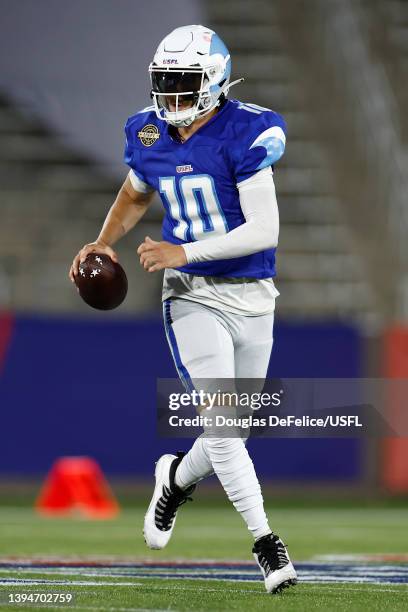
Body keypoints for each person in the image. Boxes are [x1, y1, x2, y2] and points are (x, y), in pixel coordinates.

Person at [69, 24, 297, 594]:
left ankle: (173, 477)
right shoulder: (149, 133)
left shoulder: (248, 130)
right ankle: (267, 545)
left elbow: (264, 229)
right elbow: (135, 191)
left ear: (214, 81)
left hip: (251, 293)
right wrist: (104, 242)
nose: (170, 98)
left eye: (182, 84)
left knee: (235, 430)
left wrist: (181, 248)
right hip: (191, 296)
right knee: (222, 425)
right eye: (163, 84)